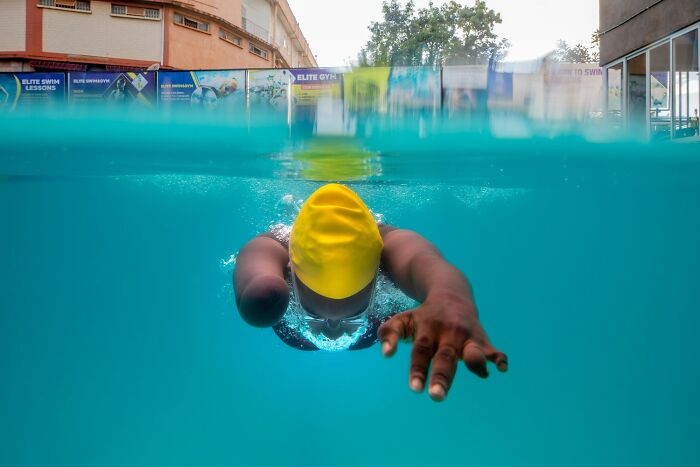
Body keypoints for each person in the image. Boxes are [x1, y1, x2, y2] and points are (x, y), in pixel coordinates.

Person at [234, 183, 507, 401]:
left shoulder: (386, 253)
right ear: (291, 277)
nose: (333, 332)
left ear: (378, 279)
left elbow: (423, 262)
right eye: (313, 316)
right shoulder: (278, 249)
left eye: (354, 316)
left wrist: (449, 299)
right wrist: (258, 295)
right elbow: (256, 264)